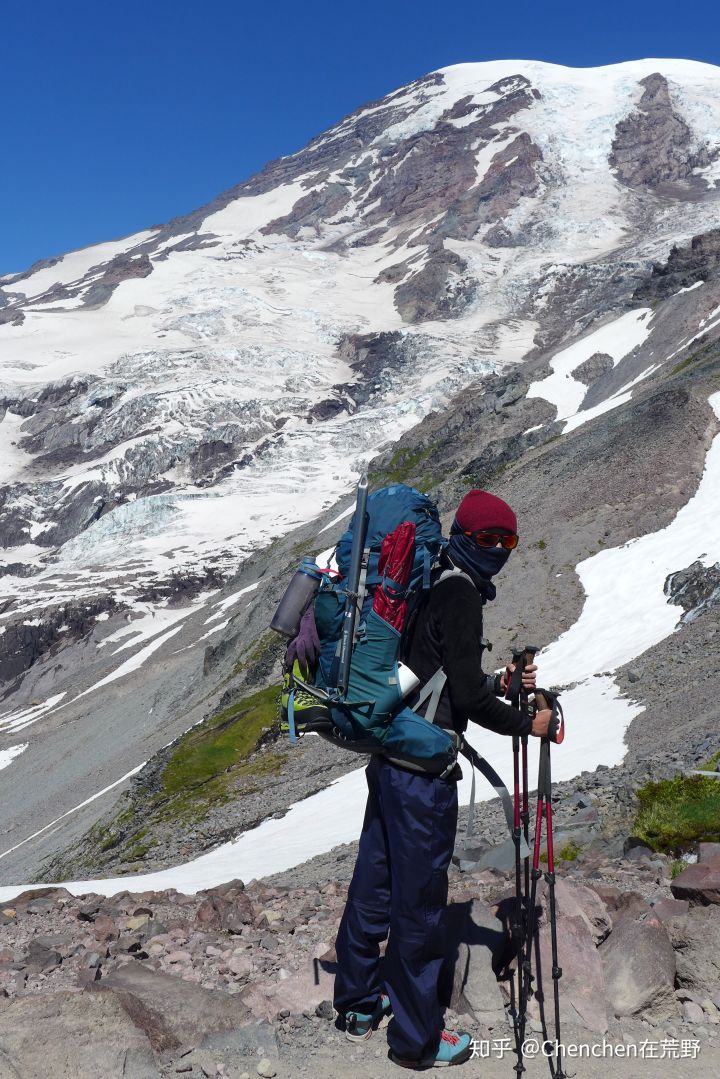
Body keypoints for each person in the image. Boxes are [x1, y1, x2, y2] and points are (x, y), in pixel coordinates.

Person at [333, 489, 552, 1069]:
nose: (499, 551)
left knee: (372, 887)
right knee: (421, 911)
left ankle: (356, 1001)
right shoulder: (460, 593)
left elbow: (435, 672)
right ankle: (417, 1041)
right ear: (465, 535)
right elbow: (467, 694)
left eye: (507, 541)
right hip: (424, 778)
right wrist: (527, 722)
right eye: (488, 539)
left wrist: (496, 684)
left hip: (389, 757)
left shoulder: (429, 577)